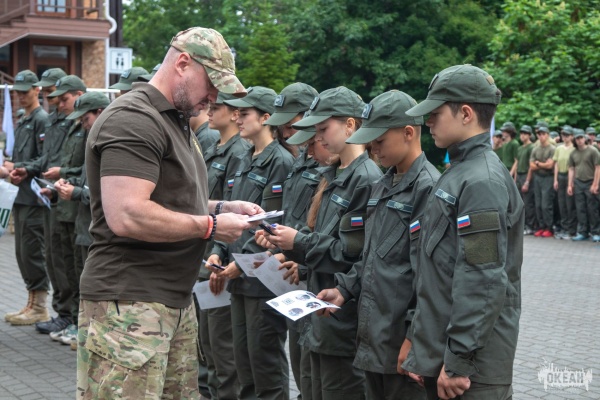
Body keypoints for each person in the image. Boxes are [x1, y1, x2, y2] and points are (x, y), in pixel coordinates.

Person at [77, 27, 258, 399]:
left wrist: (223, 208)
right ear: (183, 63)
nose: (214, 97)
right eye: (211, 83)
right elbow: (128, 213)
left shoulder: (172, 120)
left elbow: (171, 202)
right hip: (130, 303)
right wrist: (211, 226)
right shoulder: (134, 119)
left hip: (169, 301)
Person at [401, 64, 523, 400]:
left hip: (471, 372)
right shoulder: (460, 171)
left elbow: (482, 279)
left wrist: (458, 361)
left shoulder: (481, 180)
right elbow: (437, 271)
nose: (428, 122)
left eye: (435, 114)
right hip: (446, 355)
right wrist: (424, 349)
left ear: (466, 114)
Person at [262, 86, 383, 400]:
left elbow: (352, 254)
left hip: (341, 321)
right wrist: (293, 252)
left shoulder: (365, 178)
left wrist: (299, 242)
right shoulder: (334, 174)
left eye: (323, 128)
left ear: (350, 125)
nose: (317, 137)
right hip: (318, 318)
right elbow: (323, 234)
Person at [316, 90, 436, 399]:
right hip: (374, 338)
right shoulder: (382, 185)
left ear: (408, 133)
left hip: (401, 345)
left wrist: (414, 338)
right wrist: (344, 289)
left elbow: (431, 278)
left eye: (380, 140)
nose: (373, 148)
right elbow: (372, 255)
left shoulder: (428, 189)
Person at [207, 86, 296, 400]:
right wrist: (218, 252)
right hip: (238, 276)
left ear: (266, 118)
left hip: (262, 278)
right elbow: (229, 212)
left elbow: (273, 224)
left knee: (265, 363)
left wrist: (240, 263)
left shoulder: (280, 161)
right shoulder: (243, 156)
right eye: (236, 113)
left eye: (244, 114)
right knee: (243, 363)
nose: (237, 118)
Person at [264, 81, 320, 400]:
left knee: (314, 377)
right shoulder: (299, 160)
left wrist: (301, 258)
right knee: (302, 369)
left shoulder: (326, 165)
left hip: (314, 275)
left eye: (291, 121)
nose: (285, 131)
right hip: (293, 275)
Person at [196, 91, 249, 399]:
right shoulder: (214, 147)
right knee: (208, 342)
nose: (210, 112)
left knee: (222, 346)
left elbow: (233, 212)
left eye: (217, 108)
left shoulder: (239, 152)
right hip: (207, 254)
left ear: (233, 114)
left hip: (221, 256)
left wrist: (222, 253)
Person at [49, 91, 111, 349]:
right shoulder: (94, 138)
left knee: (96, 287)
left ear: (99, 113)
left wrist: (76, 193)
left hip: (96, 229)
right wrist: (69, 183)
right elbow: (87, 179)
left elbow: (107, 193)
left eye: (86, 119)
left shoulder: (110, 141)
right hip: (84, 226)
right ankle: (85, 328)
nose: (84, 124)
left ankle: (96, 334)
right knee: (81, 281)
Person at [3, 70, 51, 326]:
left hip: (34, 197)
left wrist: (22, 167)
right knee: (22, 252)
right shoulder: (24, 119)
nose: (21, 96)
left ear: (36, 90)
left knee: (32, 251)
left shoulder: (41, 119)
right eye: (18, 92)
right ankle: (31, 301)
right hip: (20, 196)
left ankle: (40, 306)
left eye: (25, 91)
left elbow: (45, 158)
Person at [568, 129, 600, 242]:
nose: (579, 140)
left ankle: (595, 232)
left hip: (590, 181)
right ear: (575, 140)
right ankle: (583, 232)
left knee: (592, 208)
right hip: (578, 182)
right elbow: (571, 169)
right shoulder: (573, 153)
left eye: (581, 138)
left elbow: (598, 168)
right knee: (580, 208)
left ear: (585, 138)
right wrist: (570, 184)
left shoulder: (593, 151)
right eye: (577, 138)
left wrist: (595, 184)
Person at [527, 126, 555, 237]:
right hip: (537, 178)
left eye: (543, 134)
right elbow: (531, 165)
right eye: (539, 134)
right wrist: (543, 164)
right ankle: (541, 226)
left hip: (548, 178)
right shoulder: (535, 149)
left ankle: (549, 227)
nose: (541, 136)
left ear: (547, 135)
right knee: (538, 204)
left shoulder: (552, 149)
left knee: (546, 204)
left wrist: (538, 163)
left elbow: (550, 165)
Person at [553, 126, 576, 239]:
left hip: (570, 176)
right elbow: (556, 164)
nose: (565, 137)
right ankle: (564, 227)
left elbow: (574, 166)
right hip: (561, 176)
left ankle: (571, 229)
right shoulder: (559, 148)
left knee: (569, 204)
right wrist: (555, 179)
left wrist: (572, 182)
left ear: (572, 136)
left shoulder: (574, 149)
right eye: (563, 135)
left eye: (567, 135)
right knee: (561, 203)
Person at [513, 125, 537, 235]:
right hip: (519, 175)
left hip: (527, 175)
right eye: (521, 133)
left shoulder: (532, 147)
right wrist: (514, 179)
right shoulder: (520, 148)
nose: (523, 135)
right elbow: (517, 164)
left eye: (525, 133)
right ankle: (523, 225)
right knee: (519, 203)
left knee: (528, 203)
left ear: (530, 135)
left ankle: (530, 226)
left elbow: (531, 166)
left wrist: (527, 181)